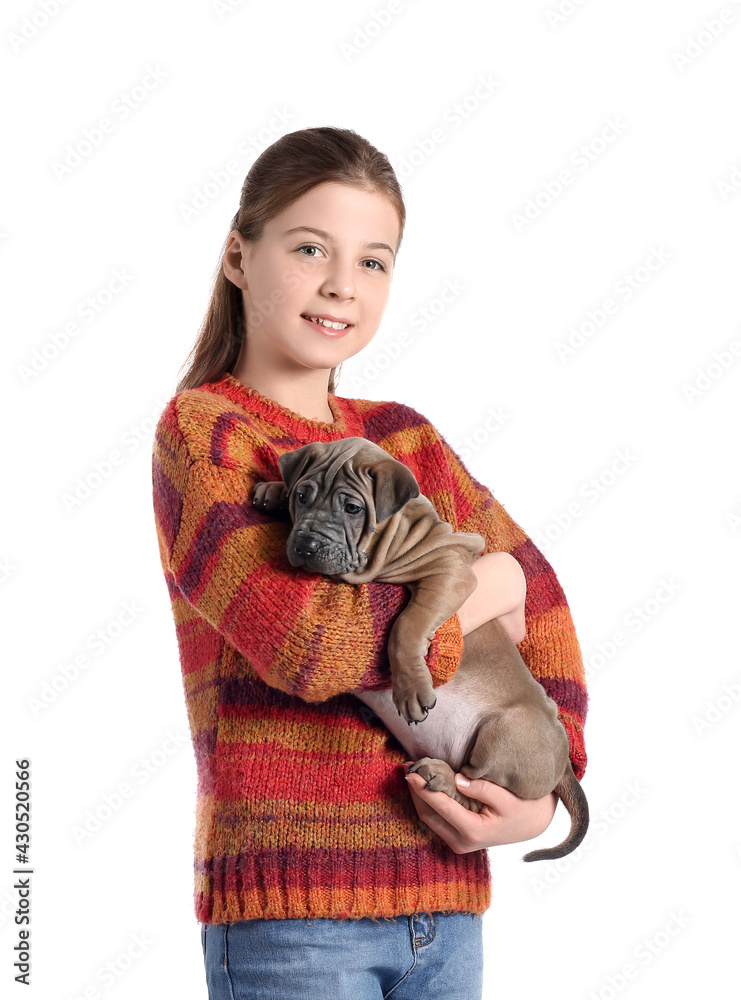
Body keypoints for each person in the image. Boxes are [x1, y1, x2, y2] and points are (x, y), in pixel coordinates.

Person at [151, 126, 588, 999]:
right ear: (238, 255)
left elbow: (543, 604)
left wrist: (539, 793)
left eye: (374, 261)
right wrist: (479, 585)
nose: (341, 285)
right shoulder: (207, 435)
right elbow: (310, 650)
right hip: (294, 917)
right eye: (309, 247)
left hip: (447, 906)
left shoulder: (403, 437)